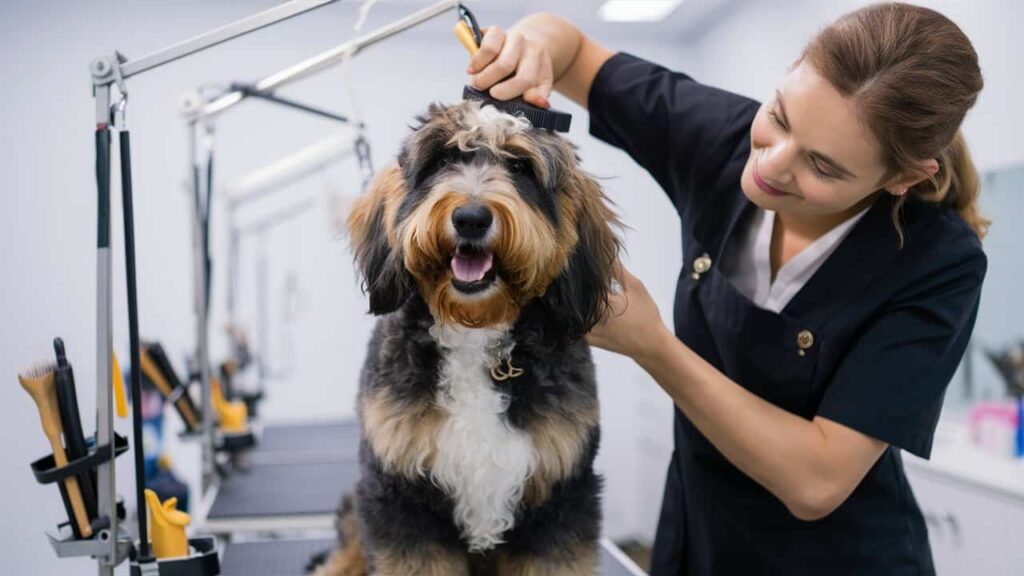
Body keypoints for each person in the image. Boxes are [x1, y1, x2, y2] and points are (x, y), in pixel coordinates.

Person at [466, 2, 988, 574]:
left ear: (904, 177)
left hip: (839, 558)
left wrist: (653, 346)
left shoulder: (938, 262)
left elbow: (817, 481)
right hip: (700, 537)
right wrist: (533, 46)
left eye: (823, 166)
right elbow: (571, 48)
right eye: (781, 117)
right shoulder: (721, 135)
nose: (771, 164)